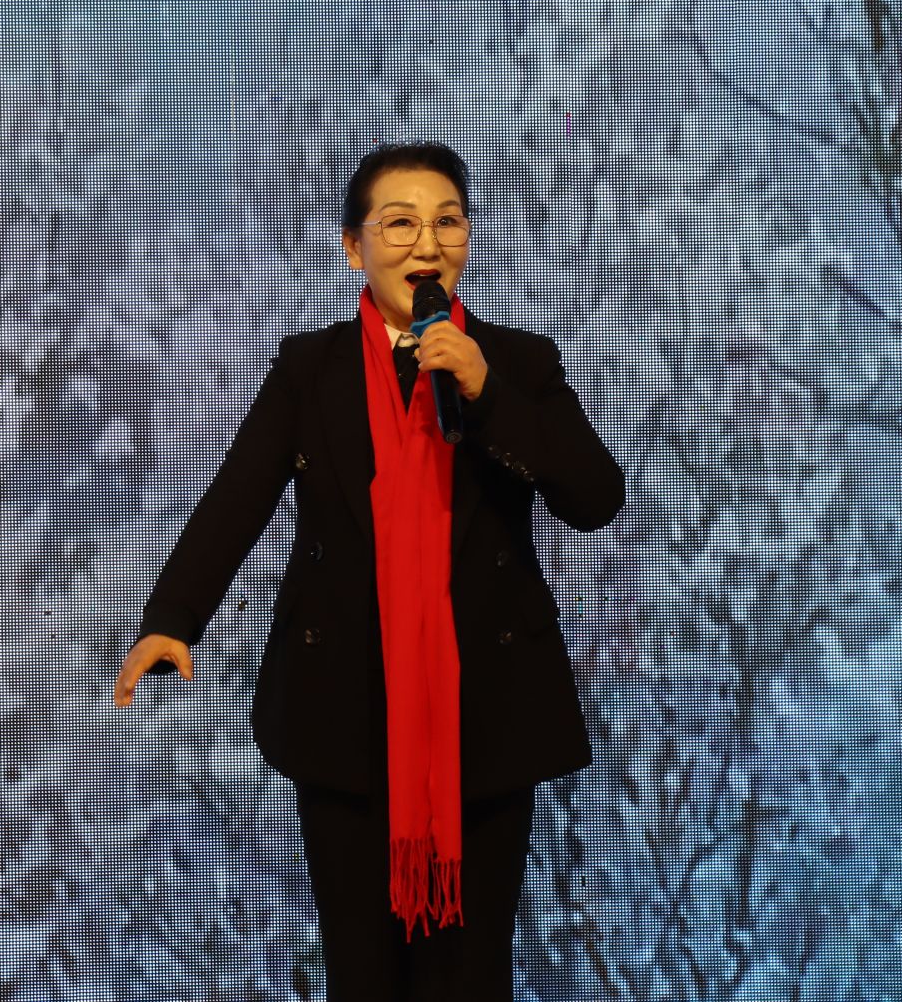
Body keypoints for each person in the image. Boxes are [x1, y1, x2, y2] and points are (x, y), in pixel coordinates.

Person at [115, 140, 624, 1001]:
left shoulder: (519, 363)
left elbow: (596, 495)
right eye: (400, 223)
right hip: (342, 711)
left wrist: (488, 392)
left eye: (447, 221)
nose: (427, 243)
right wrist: (171, 618)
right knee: (362, 974)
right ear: (354, 246)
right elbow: (238, 496)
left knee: (472, 977)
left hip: (487, 714)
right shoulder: (309, 371)